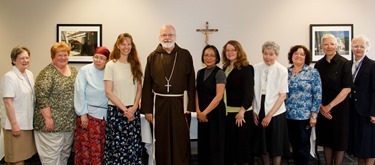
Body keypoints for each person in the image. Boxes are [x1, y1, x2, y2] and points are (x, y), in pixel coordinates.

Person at [141, 24, 195, 165]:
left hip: (180, 104)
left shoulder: (185, 54)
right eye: (164, 35)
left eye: (170, 35)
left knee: (180, 139)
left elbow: (191, 82)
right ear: (159, 37)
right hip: (159, 104)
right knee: (162, 138)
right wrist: (147, 110)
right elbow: (147, 84)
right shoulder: (152, 57)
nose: (167, 37)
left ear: (175, 37)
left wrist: (190, 106)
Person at [33, 42, 78, 164]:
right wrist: (48, 118)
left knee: (64, 155)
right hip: (51, 125)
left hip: (68, 124)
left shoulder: (74, 71)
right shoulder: (46, 74)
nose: (63, 58)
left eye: (65, 55)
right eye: (59, 55)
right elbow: (41, 97)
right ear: (53, 56)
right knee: (51, 159)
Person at [103, 33, 143, 164]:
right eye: (123, 44)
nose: (126, 47)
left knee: (132, 147)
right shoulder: (111, 65)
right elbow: (109, 92)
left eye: (129, 44)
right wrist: (125, 110)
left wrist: (135, 106)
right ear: (118, 46)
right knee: (117, 148)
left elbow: (139, 88)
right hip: (117, 112)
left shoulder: (135, 64)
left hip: (133, 111)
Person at [314, 34, 352, 165]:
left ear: (337, 45)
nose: (329, 47)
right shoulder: (318, 65)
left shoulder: (345, 63)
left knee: (339, 141)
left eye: (332, 44)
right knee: (326, 139)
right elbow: (316, 88)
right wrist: (321, 108)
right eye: (326, 44)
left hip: (339, 108)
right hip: (322, 107)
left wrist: (329, 107)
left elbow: (347, 88)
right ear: (321, 47)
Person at [253, 41, 290, 165]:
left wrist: (269, 115)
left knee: (276, 144)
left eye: (271, 54)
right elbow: (252, 92)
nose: (267, 57)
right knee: (263, 142)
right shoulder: (256, 67)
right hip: (260, 106)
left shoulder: (282, 70)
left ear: (277, 55)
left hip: (276, 110)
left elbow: (282, 95)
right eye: (265, 54)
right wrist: (254, 110)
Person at [285, 45, 322, 165]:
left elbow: (317, 95)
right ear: (291, 56)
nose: (298, 56)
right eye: (296, 53)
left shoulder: (312, 72)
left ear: (306, 57)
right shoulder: (286, 72)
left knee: (302, 147)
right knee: (294, 147)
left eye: (302, 54)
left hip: (304, 116)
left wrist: (314, 115)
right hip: (287, 115)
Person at [0, 46, 37, 165]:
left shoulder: (29, 74)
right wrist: (14, 124)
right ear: (13, 60)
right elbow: (8, 102)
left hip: (26, 122)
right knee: (16, 158)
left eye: (27, 57)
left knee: (20, 156)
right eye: (21, 58)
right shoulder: (9, 77)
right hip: (15, 125)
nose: (25, 60)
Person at [74, 46, 110, 164]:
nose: (98, 60)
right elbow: (79, 92)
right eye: (96, 57)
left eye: (102, 58)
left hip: (104, 116)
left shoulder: (109, 71)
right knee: (87, 150)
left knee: (102, 149)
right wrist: (82, 114)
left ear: (107, 60)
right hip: (88, 116)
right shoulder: (85, 70)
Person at [222, 40, 254, 165]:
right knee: (231, 149)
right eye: (227, 50)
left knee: (243, 149)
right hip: (228, 114)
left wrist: (241, 112)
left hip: (241, 115)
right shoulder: (225, 68)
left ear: (239, 51)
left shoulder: (246, 68)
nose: (230, 52)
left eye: (233, 50)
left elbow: (249, 94)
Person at [195, 45, 226, 165]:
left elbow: (219, 97)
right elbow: (196, 92)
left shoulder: (220, 73)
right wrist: (198, 111)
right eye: (206, 55)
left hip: (215, 114)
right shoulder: (200, 72)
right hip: (201, 114)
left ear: (217, 57)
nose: (209, 58)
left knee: (215, 145)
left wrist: (204, 112)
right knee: (203, 144)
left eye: (212, 55)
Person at [347, 35, 375, 165]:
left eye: (362, 46)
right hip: (353, 111)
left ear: (367, 49)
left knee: (369, 147)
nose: (358, 49)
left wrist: (373, 112)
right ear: (352, 48)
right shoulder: (348, 65)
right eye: (356, 46)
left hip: (367, 112)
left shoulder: (372, 65)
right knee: (359, 147)